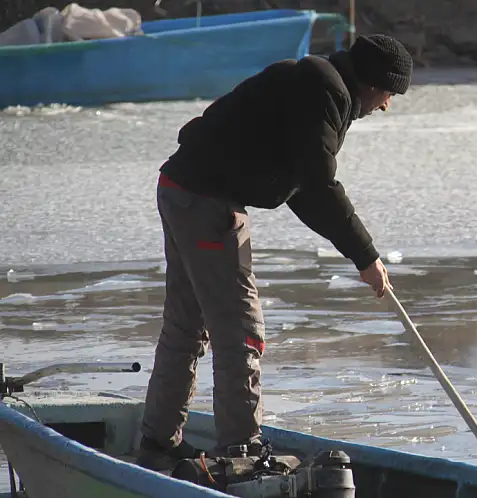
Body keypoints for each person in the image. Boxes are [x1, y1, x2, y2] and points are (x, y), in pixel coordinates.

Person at [136, 33, 414, 471]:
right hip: (207, 201)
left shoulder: (317, 85)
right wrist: (365, 255)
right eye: (388, 93)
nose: (385, 105)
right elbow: (320, 186)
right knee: (241, 330)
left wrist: (358, 254)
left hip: (181, 188)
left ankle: (157, 441)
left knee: (187, 325)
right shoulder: (324, 91)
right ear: (373, 82)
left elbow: (302, 187)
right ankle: (240, 451)